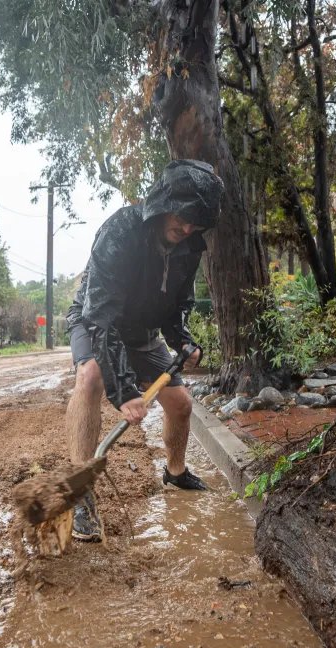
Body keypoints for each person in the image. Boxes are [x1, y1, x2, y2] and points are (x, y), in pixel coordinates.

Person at [65, 159, 225, 542]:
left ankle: (175, 471)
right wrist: (124, 392)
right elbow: (100, 319)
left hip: (144, 330)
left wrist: (183, 341)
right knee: (90, 377)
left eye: (195, 222)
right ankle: (80, 492)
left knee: (182, 404)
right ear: (162, 201)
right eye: (182, 217)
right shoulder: (120, 232)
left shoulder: (189, 247)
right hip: (96, 320)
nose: (187, 228)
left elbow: (177, 304)